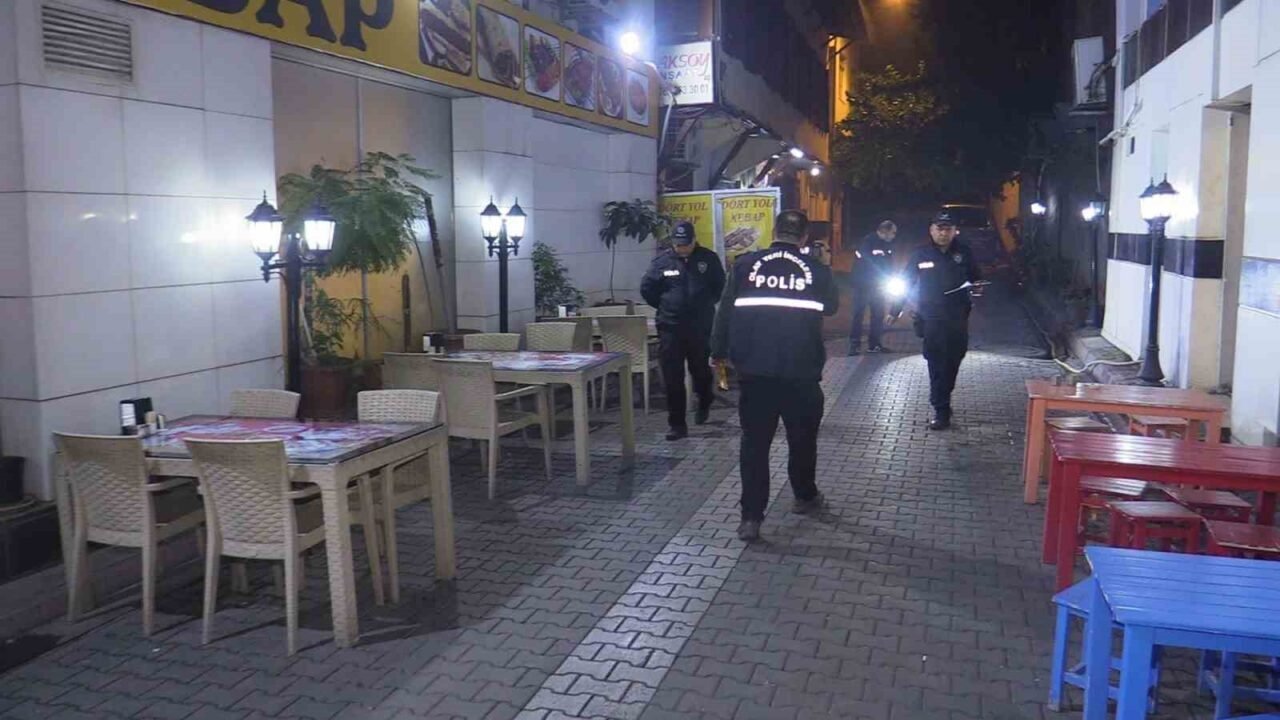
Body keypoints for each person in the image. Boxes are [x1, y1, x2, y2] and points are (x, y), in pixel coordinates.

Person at [711, 210, 839, 542]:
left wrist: (717, 352)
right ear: (804, 237)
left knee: (754, 445)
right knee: (802, 440)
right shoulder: (816, 270)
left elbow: (724, 312)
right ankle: (804, 496)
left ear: (774, 231)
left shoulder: (744, 265)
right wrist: (824, 264)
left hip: (756, 373)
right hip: (801, 373)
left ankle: (751, 518)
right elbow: (831, 306)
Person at [641, 222, 726, 441]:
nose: (682, 248)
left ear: (694, 240)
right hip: (670, 327)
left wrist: (704, 305)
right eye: (678, 244)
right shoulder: (661, 262)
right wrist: (667, 306)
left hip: (700, 326)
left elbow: (719, 286)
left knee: (701, 371)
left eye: (686, 244)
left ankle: (705, 399)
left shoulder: (708, 259)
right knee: (672, 377)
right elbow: (648, 289)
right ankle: (677, 425)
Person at [906, 210, 983, 431]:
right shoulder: (920, 254)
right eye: (939, 228)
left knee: (954, 359)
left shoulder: (964, 253)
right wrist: (896, 309)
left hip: (957, 316)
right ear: (931, 230)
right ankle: (941, 408)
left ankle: (943, 396)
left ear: (954, 231)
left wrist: (977, 287)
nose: (943, 233)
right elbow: (907, 280)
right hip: (931, 317)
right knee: (936, 361)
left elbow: (976, 277)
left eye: (948, 229)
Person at [848, 220, 897, 355]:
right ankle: (854, 345)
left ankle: (874, 344)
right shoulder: (868, 242)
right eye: (893, 233)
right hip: (862, 285)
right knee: (858, 315)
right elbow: (866, 262)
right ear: (885, 231)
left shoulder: (886, 245)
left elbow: (888, 264)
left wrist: (889, 276)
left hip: (878, 286)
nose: (894, 236)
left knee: (878, 314)